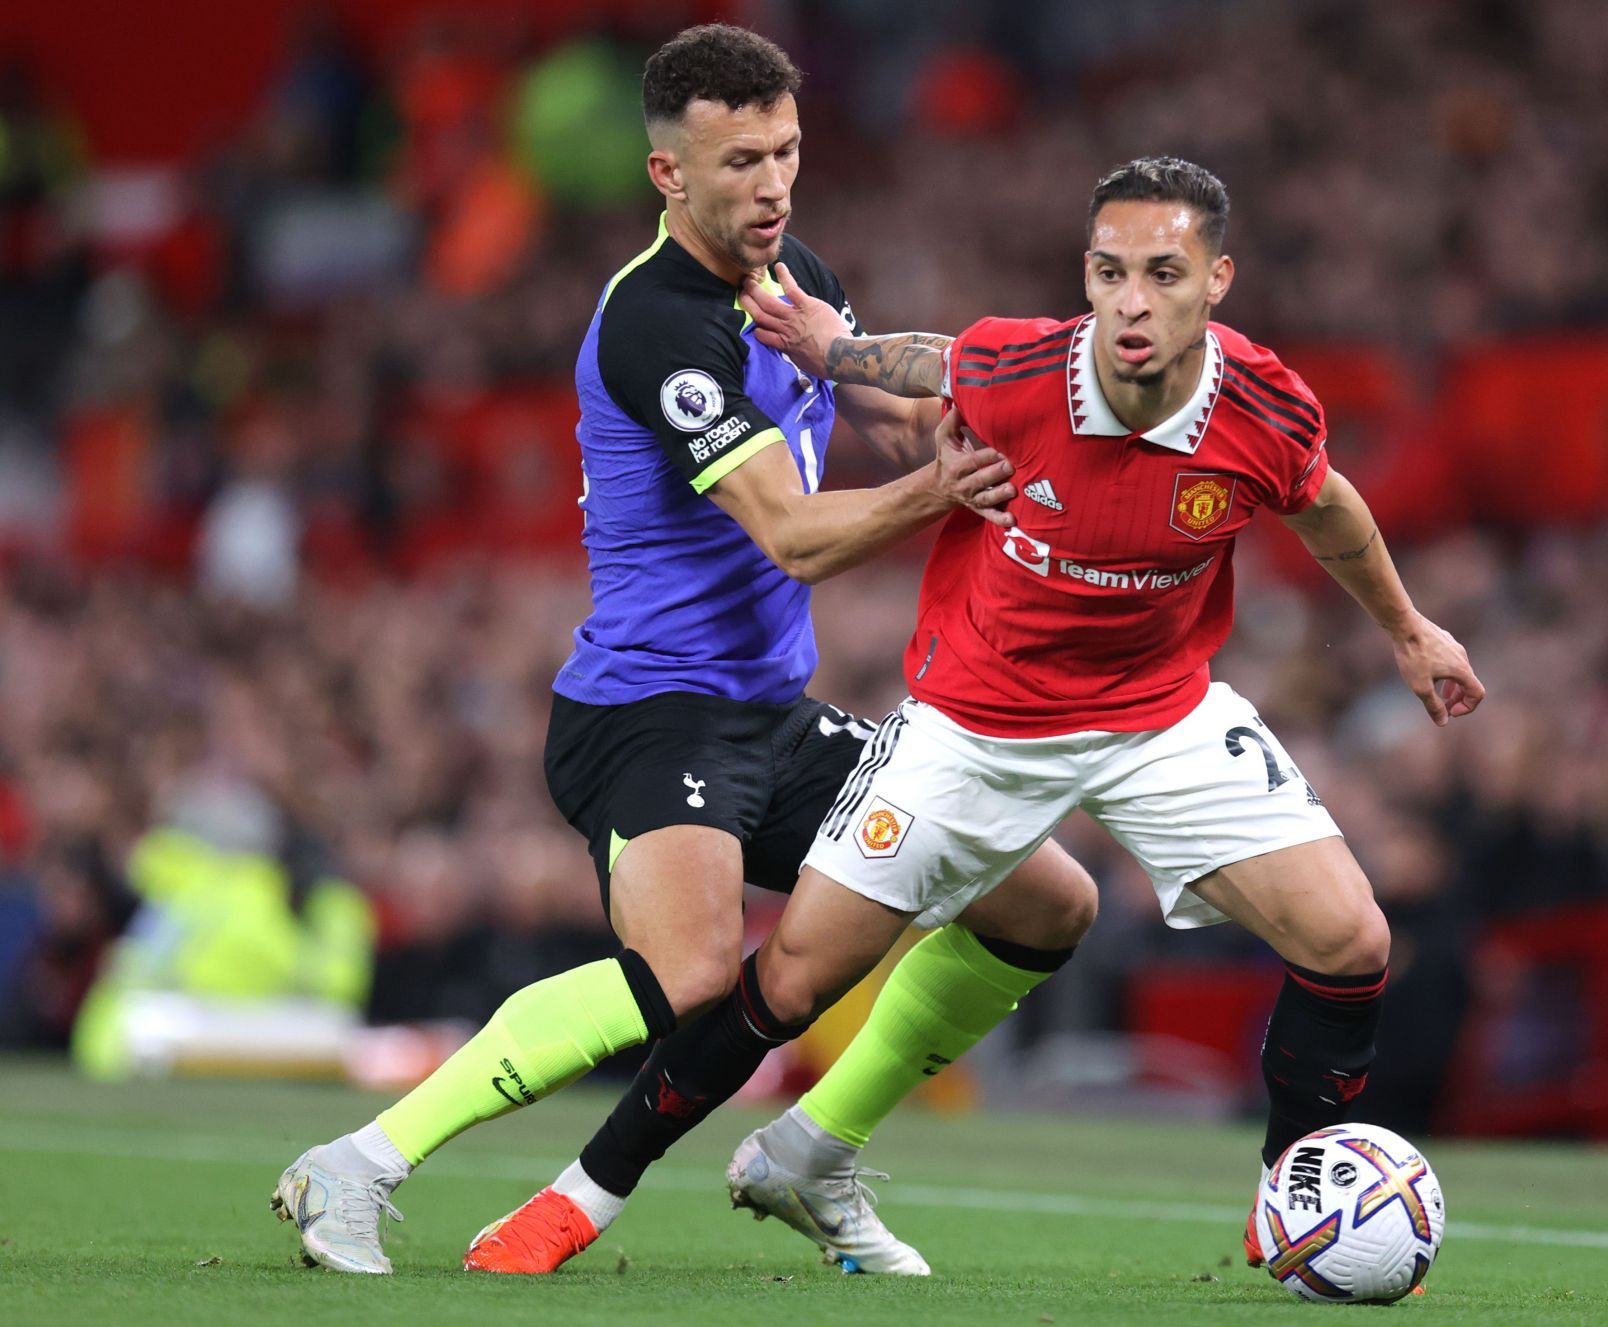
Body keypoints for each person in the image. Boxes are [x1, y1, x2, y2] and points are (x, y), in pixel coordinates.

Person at [477, 154, 1486, 1276]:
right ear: (1088, 277)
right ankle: (583, 1195)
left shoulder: (1265, 407)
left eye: (1163, 273)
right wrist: (826, 346)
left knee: (1352, 940)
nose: (1132, 302)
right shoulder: (1025, 368)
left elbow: (1327, 503)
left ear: (1218, 281)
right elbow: (920, 360)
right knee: (792, 981)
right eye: (1109, 273)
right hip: (974, 722)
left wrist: (1406, 628)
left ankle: (1287, 1192)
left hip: (1162, 713)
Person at [271, 24, 1097, 1277]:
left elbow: (887, 405)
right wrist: (948, 486)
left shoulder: (787, 272)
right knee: (693, 974)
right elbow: (796, 536)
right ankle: (360, 1162)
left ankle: (817, 1150)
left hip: (773, 714)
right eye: (741, 162)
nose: (772, 186)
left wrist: (1036, 400)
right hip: (648, 714)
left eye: (788, 153)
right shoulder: (657, 323)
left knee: (1048, 901)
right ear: (669, 175)